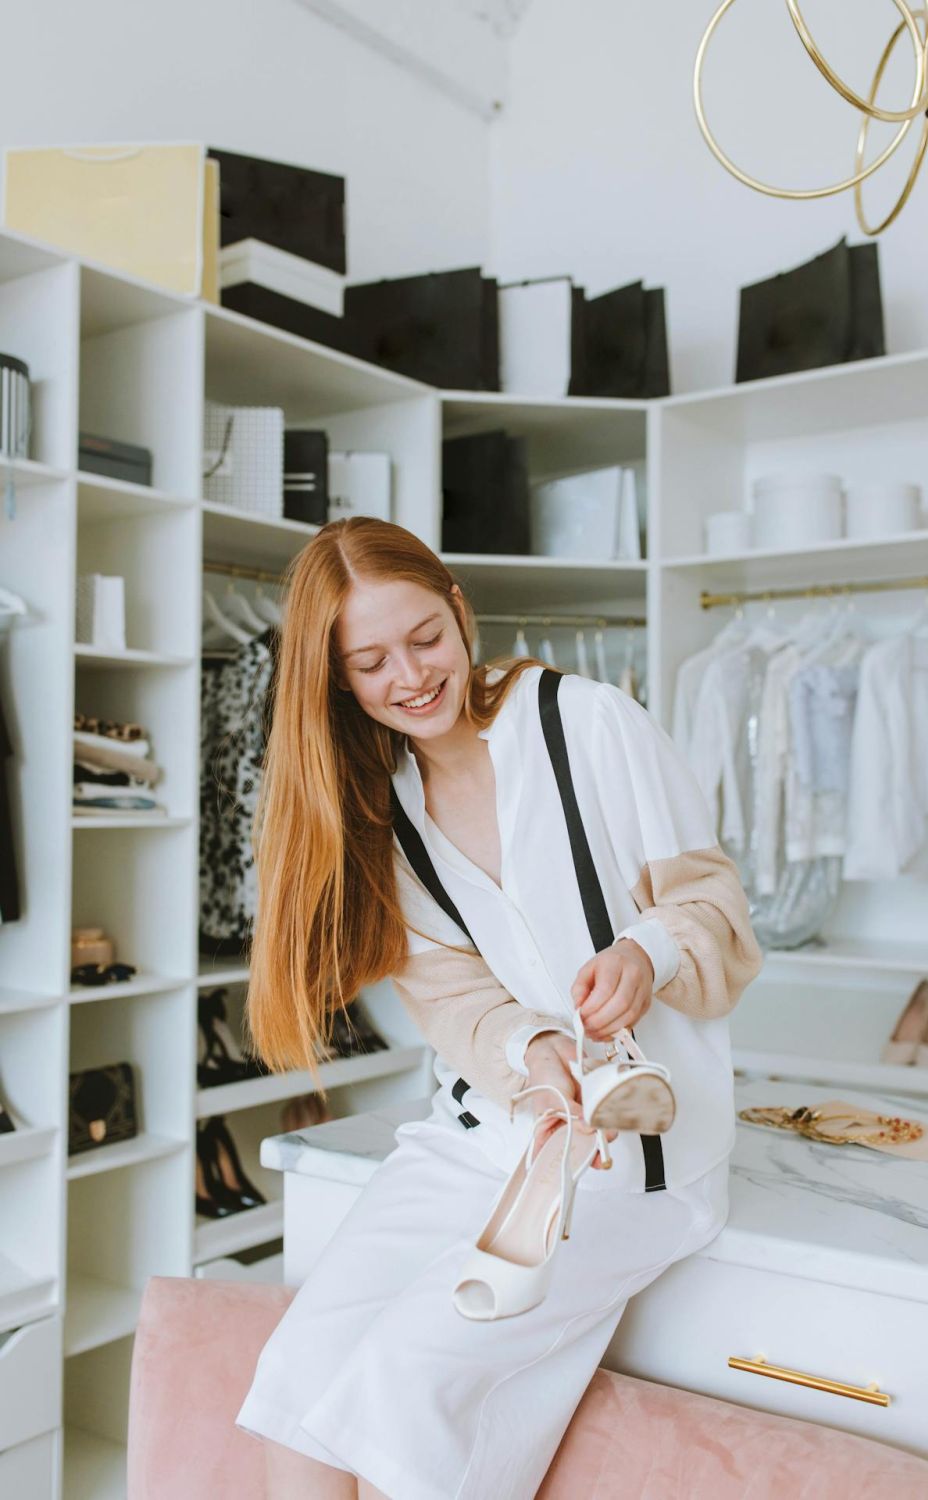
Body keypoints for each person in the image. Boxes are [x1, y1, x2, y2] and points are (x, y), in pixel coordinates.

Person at [234, 517, 763, 1500]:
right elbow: (450, 997)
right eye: (371, 661)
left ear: (460, 611)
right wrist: (527, 1049)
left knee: (404, 1391)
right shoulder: (378, 803)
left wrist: (645, 955)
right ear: (337, 679)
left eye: (425, 637)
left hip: (630, 1153)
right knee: (294, 1377)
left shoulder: (588, 725)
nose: (411, 677)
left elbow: (716, 912)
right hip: (480, 1135)